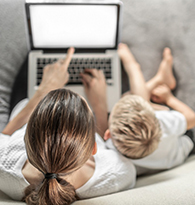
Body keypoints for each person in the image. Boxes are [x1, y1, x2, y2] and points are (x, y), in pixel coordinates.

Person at [0, 48, 136, 205]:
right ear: (93, 147)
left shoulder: (4, 166)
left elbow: (4, 137)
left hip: (30, 102)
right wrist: (99, 105)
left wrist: (43, 91)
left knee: (37, 52)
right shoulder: (116, 172)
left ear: (24, 140)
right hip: (94, 103)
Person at [82, 43, 195, 176]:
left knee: (127, 97)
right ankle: (137, 69)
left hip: (163, 150)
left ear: (108, 134)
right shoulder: (161, 124)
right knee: (130, 98)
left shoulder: (114, 154)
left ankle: (158, 80)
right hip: (182, 140)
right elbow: (192, 119)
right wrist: (169, 98)